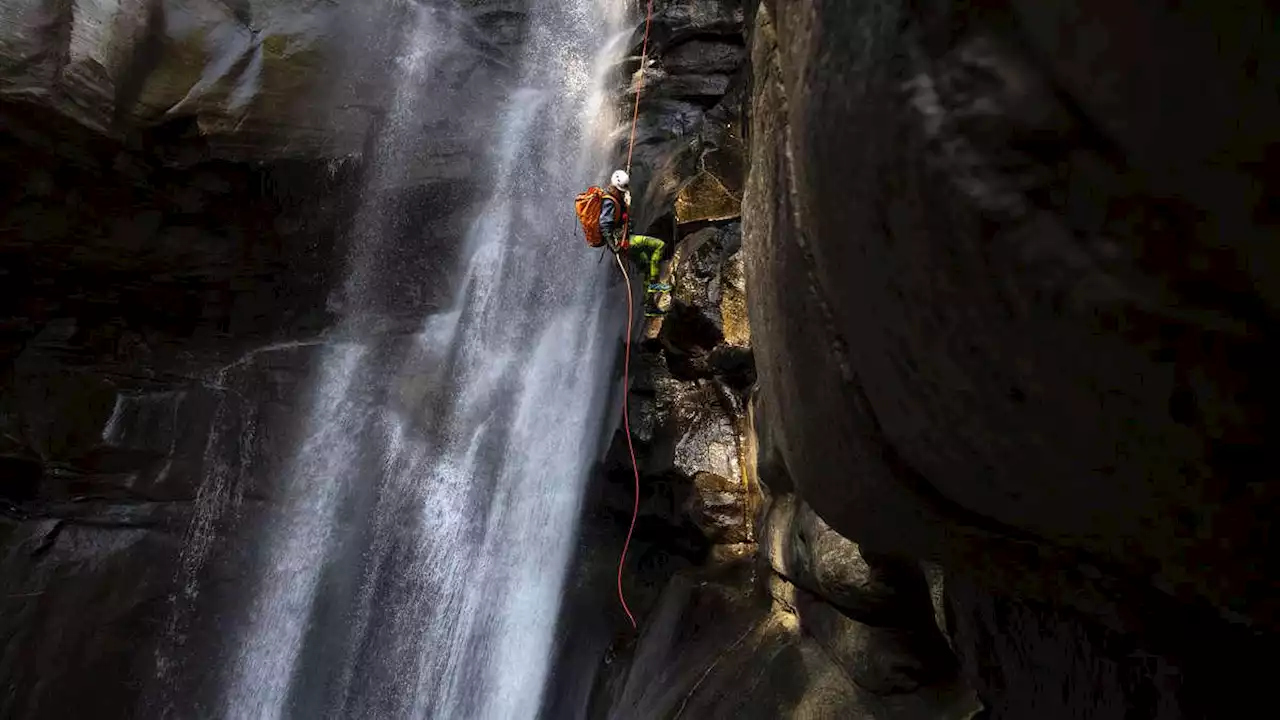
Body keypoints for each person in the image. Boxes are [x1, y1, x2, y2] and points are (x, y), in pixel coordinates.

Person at [599, 170, 670, 296]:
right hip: (622, 242)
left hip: (625, 238)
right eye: (622, 189)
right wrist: (613, 246)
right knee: (658, 245)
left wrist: (626, 203)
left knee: (645, 263)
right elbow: (604, 225)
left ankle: (649, 302)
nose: (624, 191)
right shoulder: (609, 202)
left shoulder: (615, 195)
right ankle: (653, 286)